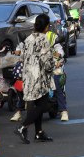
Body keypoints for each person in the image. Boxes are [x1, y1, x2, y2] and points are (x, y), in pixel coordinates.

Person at [14, 14, 56, 144]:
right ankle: (23, 126)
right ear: (46, 26)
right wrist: (53, 66)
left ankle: (39, 132)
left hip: (28, 75)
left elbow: (21, 57)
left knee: (38, 103)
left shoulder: (28, 38)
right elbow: (47, 61)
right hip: (40, 77)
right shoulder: (44, 39)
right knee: (42, 105)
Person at [46, 30, 69, 121]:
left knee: (58, 88)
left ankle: (63, 111)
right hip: (39, 70)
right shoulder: (34, 38)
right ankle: (19, 110)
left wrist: (55, 55)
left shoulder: (53, 40)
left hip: (54, 70)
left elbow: (60, 52)